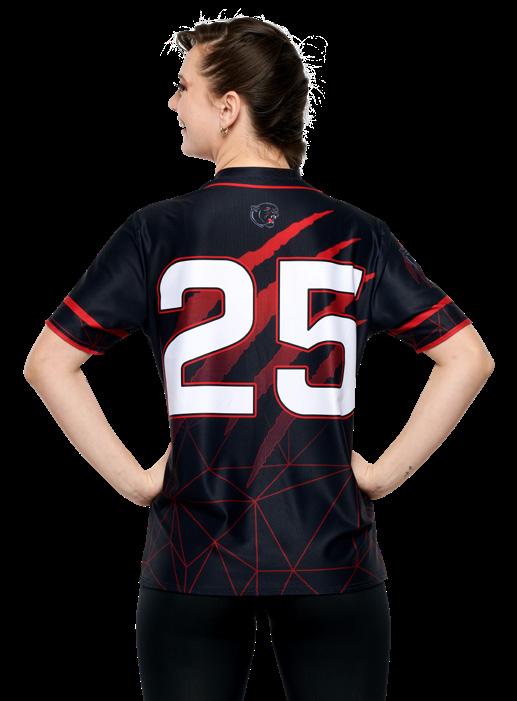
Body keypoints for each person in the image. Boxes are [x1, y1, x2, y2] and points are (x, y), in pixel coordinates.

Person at [23, 13, 495, 701]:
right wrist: (381, 474)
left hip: (191, 555)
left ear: (228, 106)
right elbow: (466, 356)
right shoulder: (353, 231)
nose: (172, 102)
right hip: (331, 553)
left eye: (183, 86)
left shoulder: (159, 230)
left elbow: (49, 361)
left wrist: (136, 482)